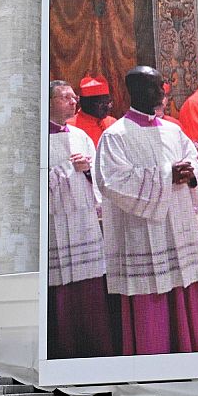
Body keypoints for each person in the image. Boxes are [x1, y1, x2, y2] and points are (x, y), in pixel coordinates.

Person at [96, 66, 198, 354]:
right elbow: (112, 182)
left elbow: (194, 160)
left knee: (183, 284)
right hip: (142, 233)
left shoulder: (173, 130)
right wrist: (166, 176)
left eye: (161, 86)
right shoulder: (115, 136)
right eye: (153, 88)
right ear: (133, 92)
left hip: (178, 223)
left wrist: (191, 174)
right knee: (152, 300)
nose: (162, 93)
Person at [45, 79, 118, 359]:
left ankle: (97, 348)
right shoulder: (37, 138)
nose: (73, 102)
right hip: (56, 224)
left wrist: (87, 171)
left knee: (90, 288)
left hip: (84, 221)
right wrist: (66, 168)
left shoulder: (81, 136)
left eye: (74, 97)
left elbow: (100, 178)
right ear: (49, 102)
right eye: (65, 97)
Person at [73, 76, 115, 145]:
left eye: (108, 102)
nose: (108, 108)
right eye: (102, 104)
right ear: (85, 103)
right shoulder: (70, 126)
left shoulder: (112, 122)